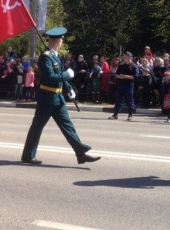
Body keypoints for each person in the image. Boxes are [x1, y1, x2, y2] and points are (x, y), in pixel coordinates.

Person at [21, 27, 101, 165]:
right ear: (57, 41)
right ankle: (28, 155)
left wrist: (69, 88)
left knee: (68, 126)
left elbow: (61, 78)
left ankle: (81, 154)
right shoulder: (45, 57)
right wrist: (67, 74)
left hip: (58, 98)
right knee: (37, 127)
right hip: (47, 99)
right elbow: (51, 77)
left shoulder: (56, 56)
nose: (63, 42)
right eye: (62, 39)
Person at [109, 51, 139, 121]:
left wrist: (126, 76)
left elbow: (136, 77)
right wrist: (119, 76)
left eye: (126, 57)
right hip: (120, 84)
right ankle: (115, 114)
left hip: (129, 85)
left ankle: (130, 115)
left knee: (130, 100)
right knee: (118, 99)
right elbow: (116, 74)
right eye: (124, 57)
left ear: (130, 58)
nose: (124, 58)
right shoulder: (122, 65)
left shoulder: (134, 66)